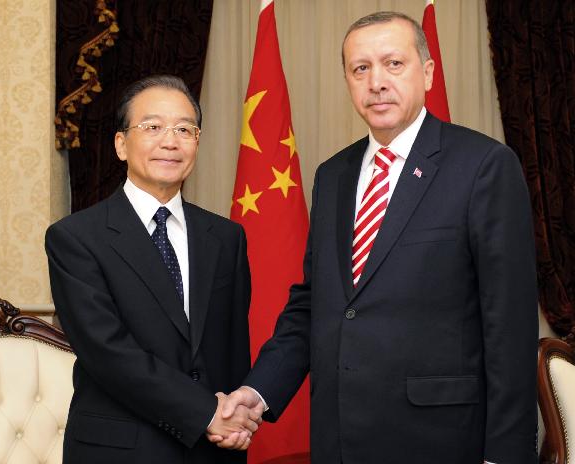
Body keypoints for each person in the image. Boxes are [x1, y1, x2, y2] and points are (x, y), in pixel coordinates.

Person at [214, 12, 538, 464]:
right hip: (340, 437)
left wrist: (505, 455)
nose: (376, 82)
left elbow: (510, 327)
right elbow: (315, 304)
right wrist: (258, 391)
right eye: (360, 68)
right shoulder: (333, 175)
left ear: (427, 72)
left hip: (440, 440)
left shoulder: (484, 166)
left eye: (393, 64)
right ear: (347, 79)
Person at [45, 75, 260, 463]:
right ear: (121, 144)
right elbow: (108, 353)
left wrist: (234, 420)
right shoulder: (75, 238)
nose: (170, 141)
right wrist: (205, 414)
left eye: (184, 129)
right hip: (120, 450)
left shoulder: (226, 237)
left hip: (212, 450)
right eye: (153, 127)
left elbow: (231, 350)